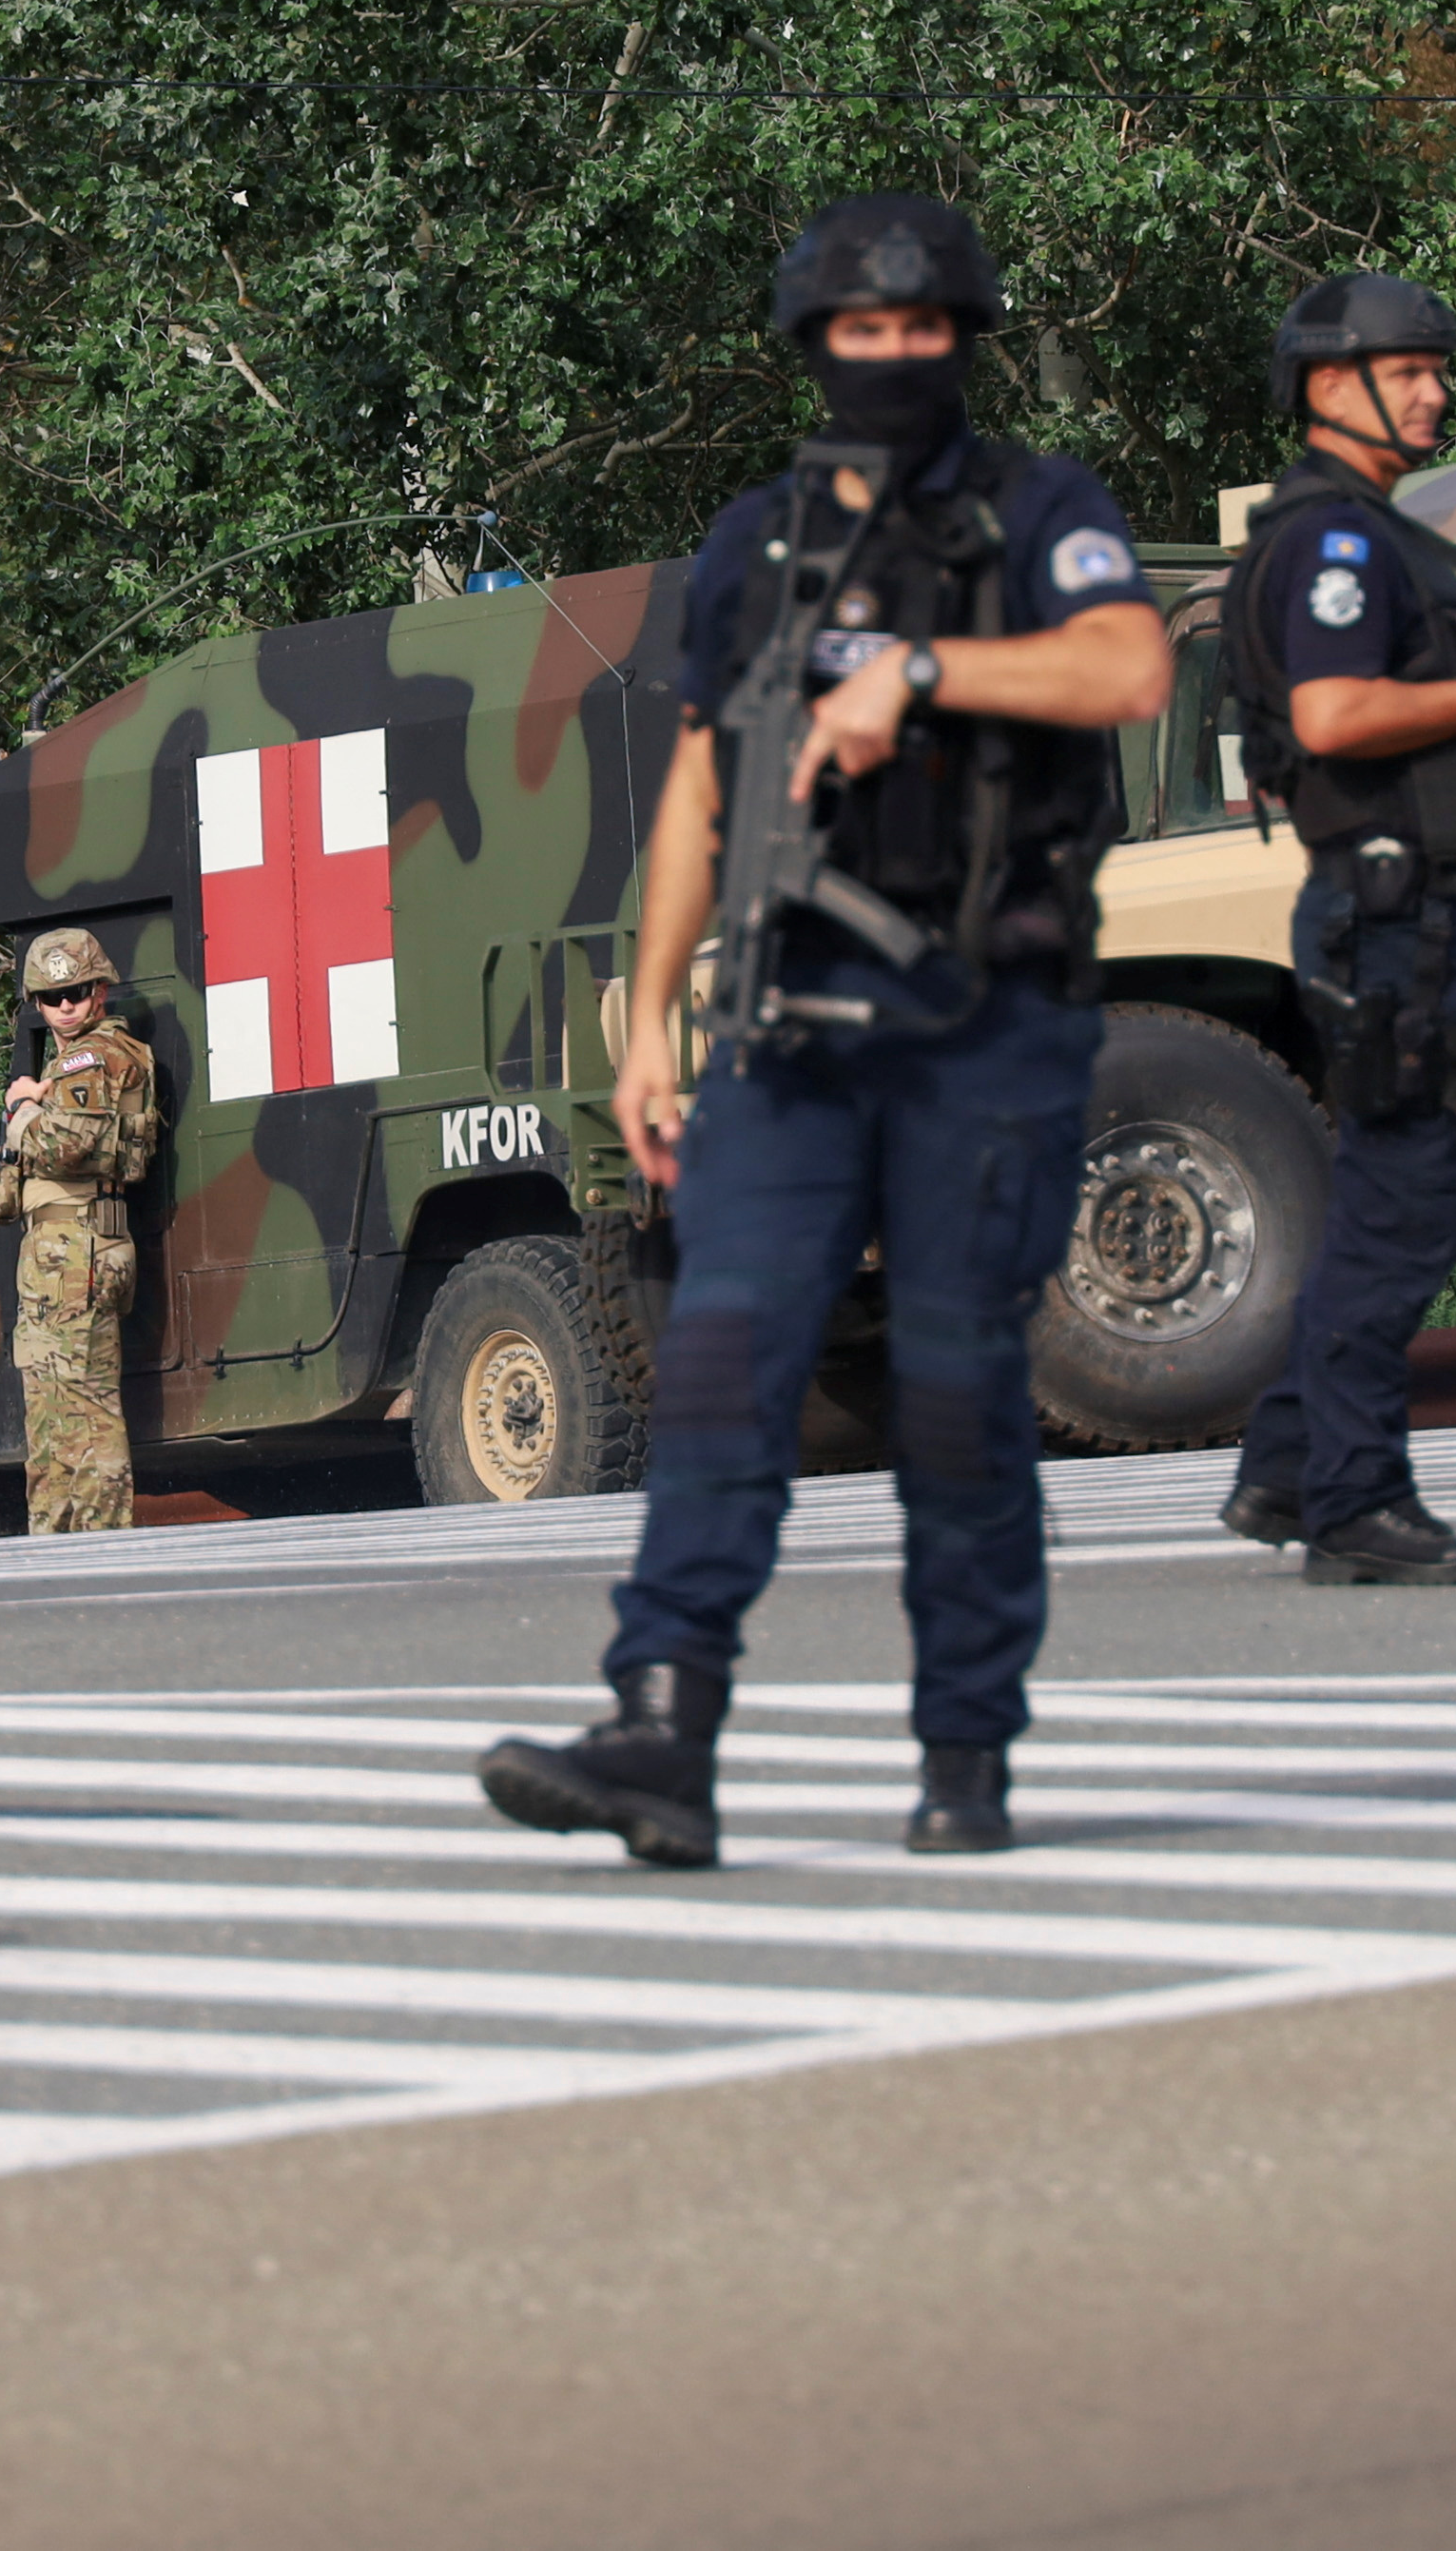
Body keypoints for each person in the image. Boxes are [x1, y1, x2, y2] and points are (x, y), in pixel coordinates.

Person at [480, 193, 1169, 1864]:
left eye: (924, 330)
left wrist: (923, 676)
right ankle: (661, 1726)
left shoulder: (1033, 508)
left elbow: (1128, 666)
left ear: (964, 339)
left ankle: (965, 1751)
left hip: (984, 1025)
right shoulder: (759, 541)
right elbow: (708, 780)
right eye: (862, 333)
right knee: (720, 1366)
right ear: (817, 346)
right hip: (786, 1033)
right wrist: (646, 1015)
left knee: (954, 1395)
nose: (893, 356)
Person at [1213, 271, 1456, 1589]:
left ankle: (1287, 1455)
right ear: (1333, 384)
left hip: (1409, 905)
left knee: (1392, 1190)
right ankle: (1354, 1496)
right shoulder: (1335, 544)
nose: (1436, 388)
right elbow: (1330, 717)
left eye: (1438, 365)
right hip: (1403, 916)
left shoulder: (1371, 534)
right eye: (1410, 367)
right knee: (1407, 1200)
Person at [0, 931, 157, 1535]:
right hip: (64, 1250)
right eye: (50, 995)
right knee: (50, 1415)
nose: (64, 1006)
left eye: (76, 991)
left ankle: (99, 1552)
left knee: (82, 1411)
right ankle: (59, 1548)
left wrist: (23, 1112)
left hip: (76, 1248)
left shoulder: (92, 1056)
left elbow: (67, 1145)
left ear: (100, 991)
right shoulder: (72, 1064)